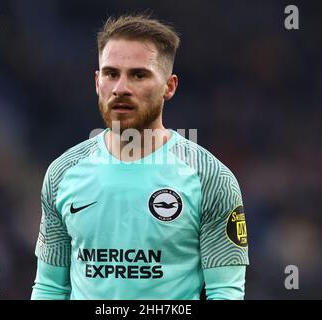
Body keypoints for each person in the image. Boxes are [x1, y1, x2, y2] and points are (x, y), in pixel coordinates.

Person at [31, 14, 249, 300]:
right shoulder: (61, 174)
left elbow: (225, 292)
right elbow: (50, 288)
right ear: (98, 82)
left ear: (169, 87)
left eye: (138, 74)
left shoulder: (210, 178)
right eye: (111, 73)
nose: (121, 88)